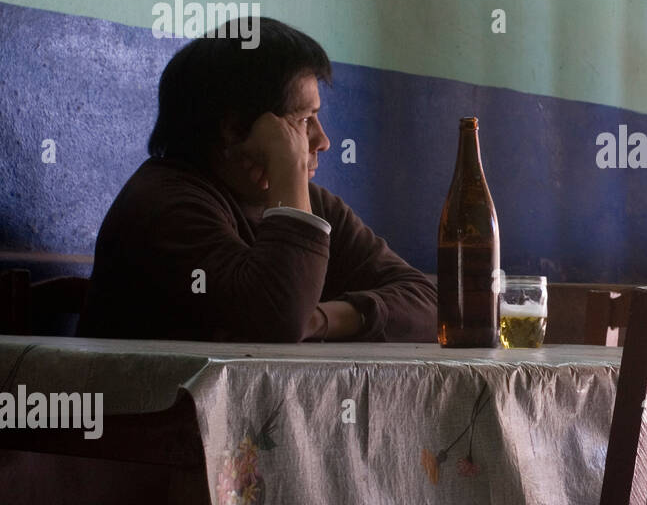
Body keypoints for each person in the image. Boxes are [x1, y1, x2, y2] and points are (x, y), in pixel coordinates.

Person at [78, 17, 438, 342]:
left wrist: (321, 319)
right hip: (155, 414)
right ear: (234, 129)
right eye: (302, 121)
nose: (323, 141)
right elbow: (276, 321)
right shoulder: (163, 205)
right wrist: (289, 170)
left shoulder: (314, 204)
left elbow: (429, 303)